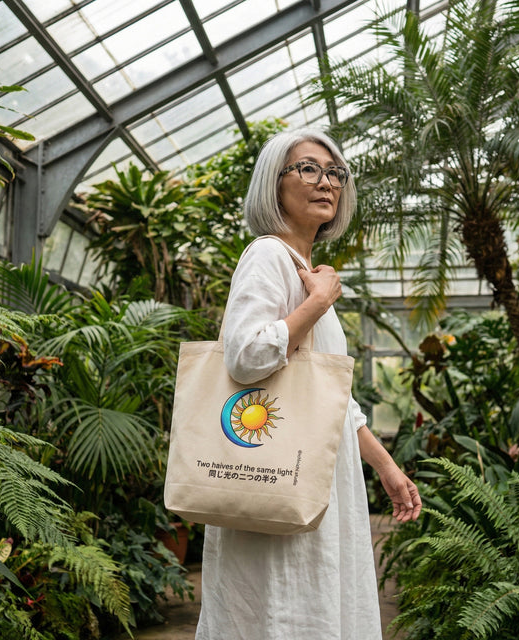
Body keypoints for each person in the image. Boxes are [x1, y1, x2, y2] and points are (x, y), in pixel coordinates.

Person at [195, 128, 421, 640]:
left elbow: (334, 396)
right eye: (309, 169)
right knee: (277, 607)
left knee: (314, 606)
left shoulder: (305, 268)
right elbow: (246, 354)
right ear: (274, 184)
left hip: (317, 478)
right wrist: (318, 301)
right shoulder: (268, 256)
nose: (328, 182)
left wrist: (385, 467)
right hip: (276, 475)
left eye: (335, 172)